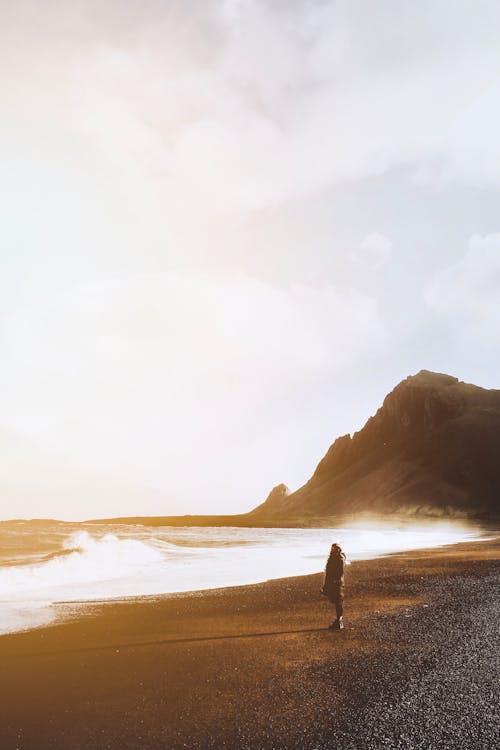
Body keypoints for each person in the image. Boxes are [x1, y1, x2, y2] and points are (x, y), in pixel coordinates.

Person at [321, 542, 346, 630]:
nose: (332, 550)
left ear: (338, 549)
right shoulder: (333, 557)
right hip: (332, 582)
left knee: (338, 601)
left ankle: (339, 621)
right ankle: (339, 621)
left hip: (336, 583)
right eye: (332, 548)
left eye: (334, 548)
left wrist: (336, 580)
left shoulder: (339, 558)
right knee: (336, 601)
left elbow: (340, 571)